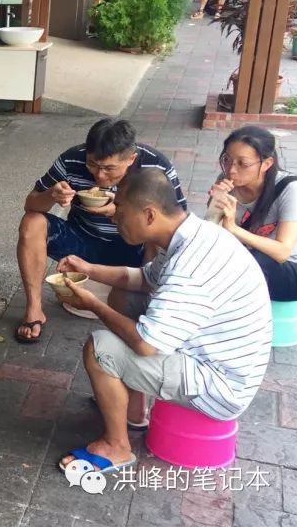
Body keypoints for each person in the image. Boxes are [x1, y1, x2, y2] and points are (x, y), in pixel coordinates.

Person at [55, 169, 270, 474]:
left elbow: (146, 345)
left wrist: (92, 303)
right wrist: (89, 269)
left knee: (98, 349)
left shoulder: (190, 266)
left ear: (149, 215)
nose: (115, 218)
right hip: (215, 355)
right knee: (126, 297)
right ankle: (133, 411)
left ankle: (117, 447)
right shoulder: (191, 234)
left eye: (121, 211)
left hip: (220, 386)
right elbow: (143, 279)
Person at [15, 119, 185, 343]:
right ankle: (34, 310)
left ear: (131, 159)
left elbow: (174, 222)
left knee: (156, 234)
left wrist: (118, 211)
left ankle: (148, 304)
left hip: (133, 249)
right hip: (83, 240)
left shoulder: (156, 166)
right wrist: (51, 196)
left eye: (109, 168)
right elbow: (31, 204)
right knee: (31, 222)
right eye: (93, 165)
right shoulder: (71, 159)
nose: (100, 176)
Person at [207, 126, 297, 301]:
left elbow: (282, 251)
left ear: (266, 164)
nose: (231, 170)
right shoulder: (226, 183)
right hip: (249, 259)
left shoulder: (291, 190)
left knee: (237, 265)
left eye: (242, 164)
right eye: (227, 160)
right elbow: (209, 232)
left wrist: (233, 228)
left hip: (292, 272)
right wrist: (214, 205)